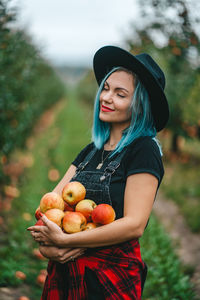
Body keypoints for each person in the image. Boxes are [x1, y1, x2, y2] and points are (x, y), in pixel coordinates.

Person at [28, 45, 169, 299]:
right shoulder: (90, 151)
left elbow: (134, 225)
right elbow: (47, 208)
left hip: (110, 278)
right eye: (105, 88)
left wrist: (67, 242)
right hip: (65, 274)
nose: (106, 97)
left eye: (120, 94)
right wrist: (50, 249)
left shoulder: (143, 150)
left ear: (139, 104)